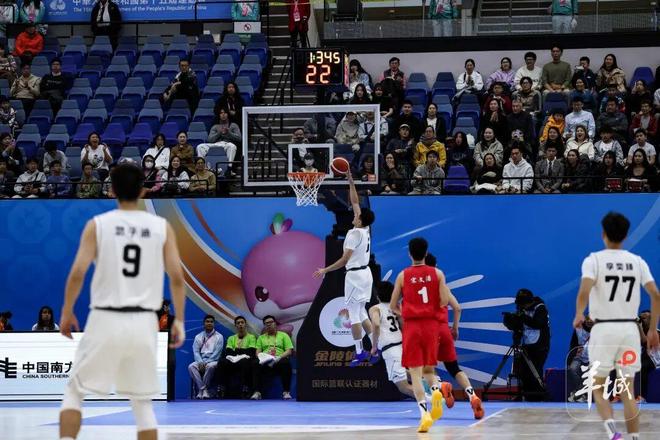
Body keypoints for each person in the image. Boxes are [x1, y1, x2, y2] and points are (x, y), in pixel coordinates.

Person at [58, 163, 185, 440]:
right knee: (142, 404)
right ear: (143, 190)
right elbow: (177, 277)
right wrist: (181, 321)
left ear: (111, 190)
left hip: (105, 317)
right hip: (143, 321)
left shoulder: (98, 225)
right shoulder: (161, 227)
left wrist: (67, 311)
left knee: (74, 391)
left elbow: (77, 272)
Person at [573, 212, 659, 440]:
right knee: (628, 390)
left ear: (603, 233)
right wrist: (652, 330)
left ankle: (613, 432)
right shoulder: (637, 262)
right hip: (629, 331)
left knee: (597, 386)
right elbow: (656, 295)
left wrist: (579, 313)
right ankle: (634, 437)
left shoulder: (594, 260)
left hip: (604, 330)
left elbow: (584, 290)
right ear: (626, 235)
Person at [314, 170, 375, 366]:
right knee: (362, 312)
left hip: (355, 276)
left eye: (357, 215)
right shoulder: (365, 228)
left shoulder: (353, 234)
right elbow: (355, 202)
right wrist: (351, 182)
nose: (354, 214)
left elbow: (343, 260)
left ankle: (359, 351)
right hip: (366, 274)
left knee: (354, 314)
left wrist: (325, 270)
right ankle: (377, 347)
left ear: (360, 219)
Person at [389, 237, 449, 433]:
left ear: (409, 254)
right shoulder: (438, 274)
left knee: (415, 374)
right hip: (431, 325)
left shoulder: (402, 276)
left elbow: (392, 305)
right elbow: (444, 301)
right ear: (426, 252)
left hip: (412, 326)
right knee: (429, 370)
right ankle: (436, 391)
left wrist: (406, 313)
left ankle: (424, 414)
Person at [425, 253, 484, 419]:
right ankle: (472, 395)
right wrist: (455, 328)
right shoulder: (442, 286)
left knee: (427, 369)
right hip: (444, 330)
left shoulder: (418, 285)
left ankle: (440, 389)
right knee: (454, 368)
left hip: (429, 330)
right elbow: (457, 308)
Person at [368, 281, 414, 398]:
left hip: (391, 349)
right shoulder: (396, 307)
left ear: (377, 296)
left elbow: (376, 324)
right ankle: (437, 384)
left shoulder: (375, 308)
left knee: (403, 386)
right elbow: (404, 326)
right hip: (401, 345)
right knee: (405, 373)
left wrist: (374, 346)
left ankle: (435, 399)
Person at [216, 315, 258, 399]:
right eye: (238, 323)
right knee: (222, 362)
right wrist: (242, 351)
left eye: (242, 322)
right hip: (232, 361)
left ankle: (245, 388)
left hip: (245, 361)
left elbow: (251, 352)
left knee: (245, 361)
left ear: (245, 324)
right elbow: (228, 352)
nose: (240, 324)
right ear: (235, 325)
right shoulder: (231, 338)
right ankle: (221, 388)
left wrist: (236, 351)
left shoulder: (251, 337)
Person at [254, 315, 294, 400]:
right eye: (266, 323)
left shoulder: (284, 335)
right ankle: (257, 392)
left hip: (279, 360)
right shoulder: (261, 338)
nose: (269, 324)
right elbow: (257, 352)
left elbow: (289, 351)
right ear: (264, 325)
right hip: (266, 360)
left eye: (271, 322)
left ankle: (286, 392)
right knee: (255, 364)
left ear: (275, 323)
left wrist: (279, 357)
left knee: (286, 363)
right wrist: (262, 357)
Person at [189, 315, 223, 399]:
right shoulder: (198, 336)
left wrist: (207, 362)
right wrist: (200, 361)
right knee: (191, 366)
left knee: (210, 366)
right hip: (201, 360)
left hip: (213, 360)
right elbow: (196, 351)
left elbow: (217, 352)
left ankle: (201, 390)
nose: (209, 323)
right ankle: (203, 389)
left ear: (214, 324)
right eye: (207, 321)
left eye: (211, 322)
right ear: (204, 323)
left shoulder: (219, 336)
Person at [566, 315, 593, 403]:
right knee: (572, 369)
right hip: (579, 357)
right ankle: (581, 393)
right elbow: (573, 345)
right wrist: (571, 358)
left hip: (592, 359)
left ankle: (579, 394)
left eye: (592, 321)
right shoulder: (578, 329)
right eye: (588, 320)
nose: (590, 322)